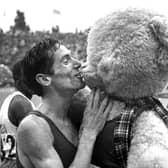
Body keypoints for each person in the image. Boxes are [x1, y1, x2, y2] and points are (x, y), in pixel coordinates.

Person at [16, 38, 113, 168]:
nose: (78, 63)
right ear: (45, 79)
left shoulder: (74, 114)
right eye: (66, 61)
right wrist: (89, 134)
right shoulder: (32, 127)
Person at [0, 60, 35, 168]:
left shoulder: (11, 100)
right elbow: (35, 143)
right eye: (30, 79)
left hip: (8, 162)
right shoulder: (22, 104)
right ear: (20, 82)